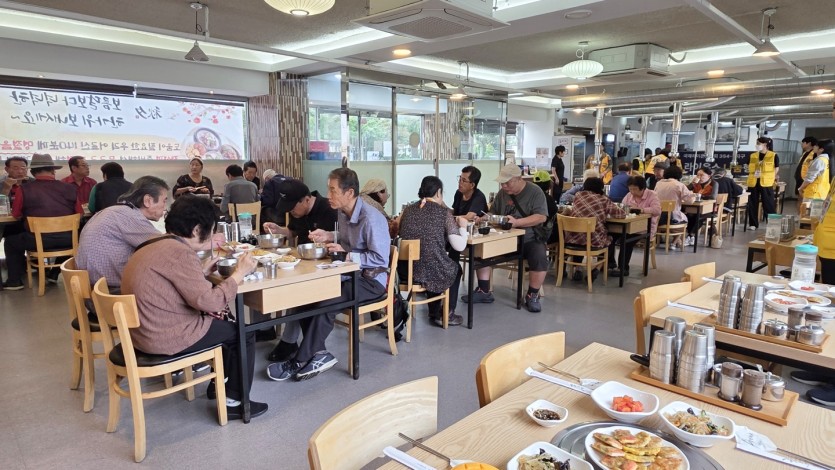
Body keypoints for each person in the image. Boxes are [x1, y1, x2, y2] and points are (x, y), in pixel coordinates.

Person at [121, 196, 267, 420]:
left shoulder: (154, 243)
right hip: (163, 336)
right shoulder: (179, 252)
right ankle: (235, 402)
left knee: (224, 326)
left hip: (142, 332)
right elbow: (210, 302)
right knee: (242, 333)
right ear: (197, 229)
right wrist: (239, 273)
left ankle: (219, 385)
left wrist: (201, 272)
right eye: (211, 229)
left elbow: (171, 284)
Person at [267, 168, 390, 382]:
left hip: (371, 280)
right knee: (308, 295)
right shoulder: (343, 212)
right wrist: (329, 235)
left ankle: (299, 360)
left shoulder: (371, 218)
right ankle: (319, 353)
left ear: (349, 193)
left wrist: (347, 254)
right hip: (349, 274)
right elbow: (346, 237)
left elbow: (380, 259)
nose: (328, 195)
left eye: (333, 190)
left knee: (329, 300)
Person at [261, 179, 338, 363]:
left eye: (292, 207)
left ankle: (291, 342)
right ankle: (268, 331)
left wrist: (327, 239)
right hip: (302, 261)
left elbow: (340, 242)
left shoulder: (329, 210)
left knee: (297, 292)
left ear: (306, 200)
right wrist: (278, 230)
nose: (291, 212)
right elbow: (292, 232)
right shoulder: (298, 211)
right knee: (270, 281)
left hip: (325, 267)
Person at [464, 163, 548, 313]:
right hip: (503, 237)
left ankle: (532, 295)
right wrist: (485, 218)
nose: (503, 186)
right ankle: (484, 290)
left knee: (539, 255)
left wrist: (517, 223)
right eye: (502, 183)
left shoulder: (535, 192)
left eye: (507, 183)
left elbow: (541, 217)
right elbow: (493, 212)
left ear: (519, 179)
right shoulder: (502, 193)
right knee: (481, 248)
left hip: (528, 238)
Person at [3, 154, 82, 290]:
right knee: (79, 239)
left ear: (33, 172)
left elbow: (16, 215)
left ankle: (14, 282)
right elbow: (79, 214)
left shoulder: (24, 189)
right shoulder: (70, 188)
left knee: (10, 242)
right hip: (69, 240)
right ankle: (54, 273)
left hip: (36, 241)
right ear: (53, 171)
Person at [77, 176, 170, 290]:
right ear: (148, 200)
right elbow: (166, 247)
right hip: (110, 291)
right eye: (164, 200)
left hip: (93, 288)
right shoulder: (130, 217)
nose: (165, 206)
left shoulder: (116, 211)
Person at [398, 176, 468, 326]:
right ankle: (446, 313)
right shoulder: (443, 213)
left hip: (405, 271)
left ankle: (435, 311)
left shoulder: (408, 210)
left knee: (435, 262)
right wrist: (463, 227)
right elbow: (460, 246)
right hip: (428, 269)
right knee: (452, 269)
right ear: (438, 192)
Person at [564, 177, 626, 281]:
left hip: (573, 239)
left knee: (582, 235)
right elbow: (621, 214)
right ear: (600, 188)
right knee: (610, 239)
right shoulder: (603, 199)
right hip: (594, 241)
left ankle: (578, 268)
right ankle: (597, 268)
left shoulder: (578, 196)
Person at [609, 176, 661, 277]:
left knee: (626, 241)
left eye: (635, 189)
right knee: (609, 237)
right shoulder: (629, 195)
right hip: (628, 226)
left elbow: (657, 210)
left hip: (644, 228)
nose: (632, 191)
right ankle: (610, 263)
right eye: (630, 189)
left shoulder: (652, 195)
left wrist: (641, 210)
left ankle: (623, 268)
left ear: (642, 188)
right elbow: (622, 207)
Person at [655, 165, 696, 247]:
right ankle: (674, 242)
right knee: (686, 220)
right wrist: (693, 195)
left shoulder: (658, 184)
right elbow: (690, 201)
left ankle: (676, 241)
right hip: (672, 217)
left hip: (658, 217)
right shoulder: (679, 185)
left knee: (679, 216)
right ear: (679, 175)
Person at [745, 136, 779, 230]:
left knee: (769, 204)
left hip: (766, 182)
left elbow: (776, 169)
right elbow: (748, 167)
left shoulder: (773, 155)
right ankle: (753, 224)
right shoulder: (753, 155)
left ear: (765, 144)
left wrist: (772, 177)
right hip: (753, 182)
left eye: (758, 143)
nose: (757, 145)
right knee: (752, 203)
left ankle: (772, 225)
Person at [795, 136, 817, 212]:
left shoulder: (814, 154)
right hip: (800, 179)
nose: (802, 144)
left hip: (806, 180)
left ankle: (803, 216)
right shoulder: (805, 153)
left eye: (803, 143)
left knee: (805, 201)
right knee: (799, 199)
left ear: (809, 143)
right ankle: (799, 215)